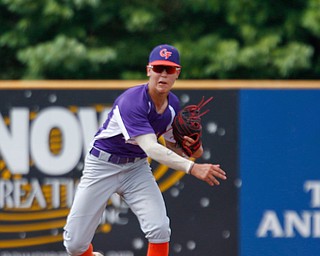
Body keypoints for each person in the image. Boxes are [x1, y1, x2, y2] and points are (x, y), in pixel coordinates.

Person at [63, 44, 227, 256]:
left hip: (135, 169)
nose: (163, 75)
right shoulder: (132, 101)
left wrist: (193, 149)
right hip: (102, 165)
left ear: (177, 73)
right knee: (74, 245)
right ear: (149, 70)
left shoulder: (172, 105)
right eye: (159, 68)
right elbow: (152, 148)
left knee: (159, 229)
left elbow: (174, 146)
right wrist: (192, 168)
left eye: (169, 70)